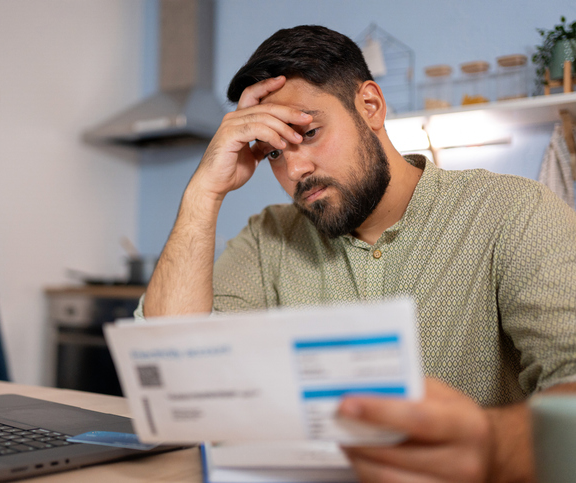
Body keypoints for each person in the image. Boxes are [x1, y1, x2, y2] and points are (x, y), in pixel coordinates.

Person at [137, 25, 576, 482]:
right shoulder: (269, 237)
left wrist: (492, 446)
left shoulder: (513, 214)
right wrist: (203, 194)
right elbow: (175, 377)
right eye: (271, 153)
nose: (295, 168)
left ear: (370, 106)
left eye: (307, 133)